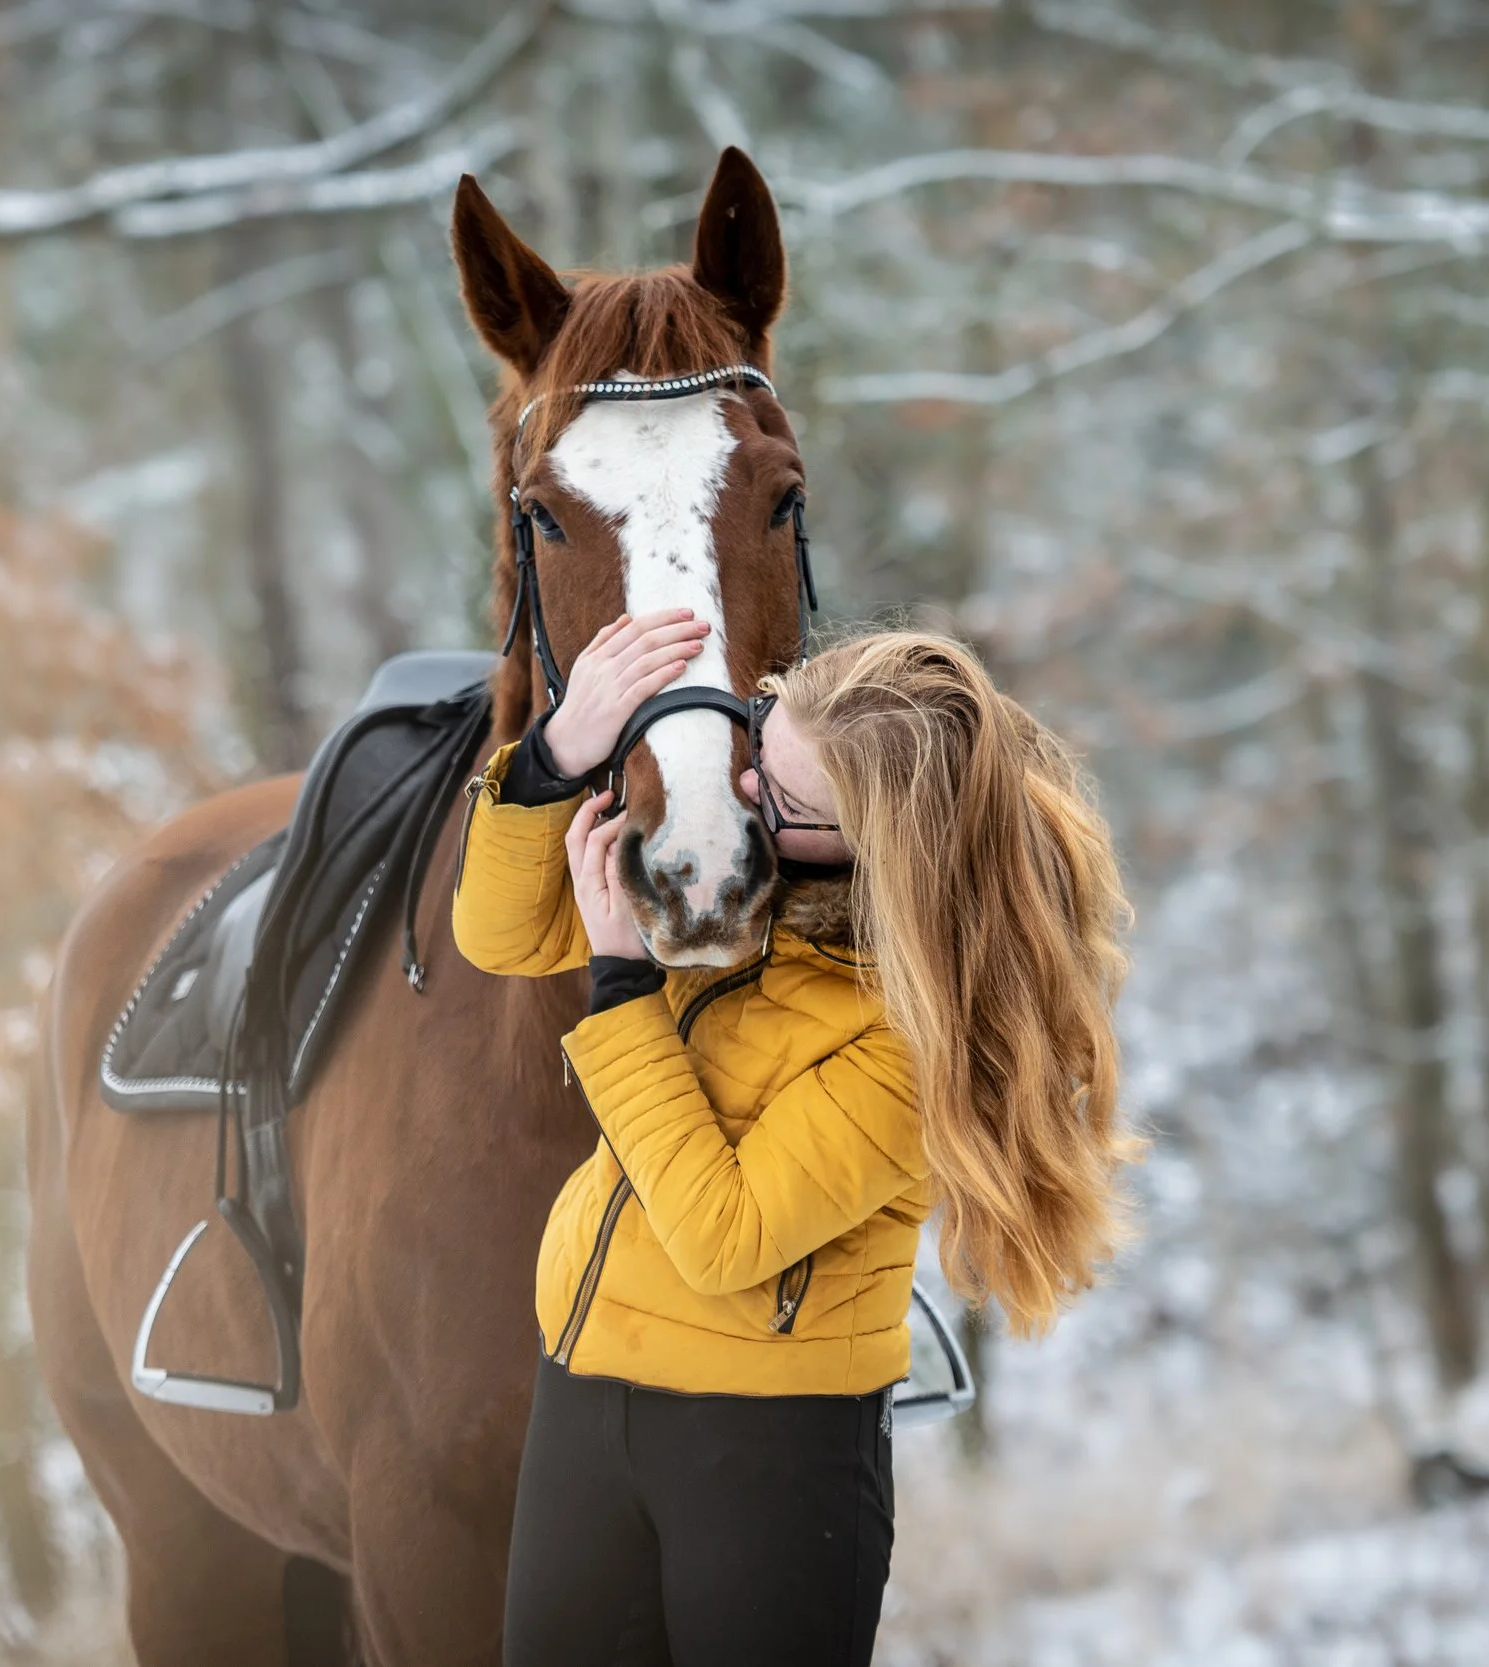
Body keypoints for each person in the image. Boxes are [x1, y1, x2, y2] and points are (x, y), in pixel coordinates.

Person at [452, 611, 1138, 1667]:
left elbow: (726, 1233)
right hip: (584, 1391)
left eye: (777, 795)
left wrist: (625, 982)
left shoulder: (922, 1035)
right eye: (754, 745)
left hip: (766, 1453)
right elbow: (498, 936)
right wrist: (553, 753)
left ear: (876, 843)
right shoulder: (749, 875)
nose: (738, 797)